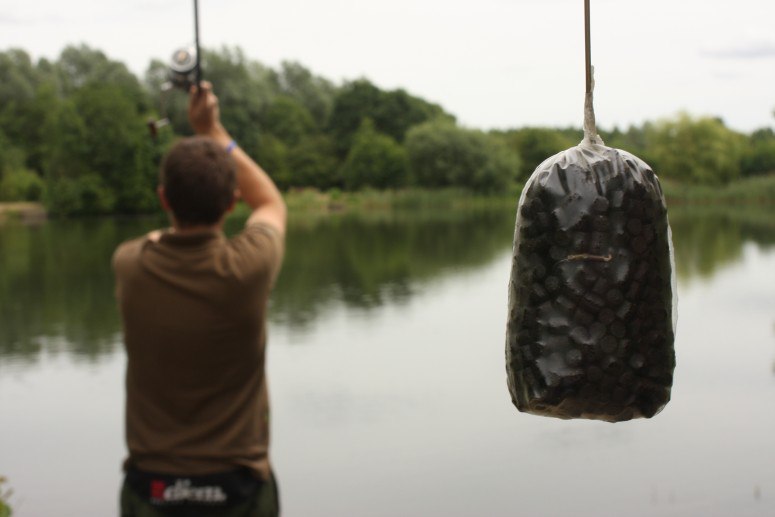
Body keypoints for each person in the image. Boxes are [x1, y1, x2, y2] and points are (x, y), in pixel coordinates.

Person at [113, 81, 287, 516]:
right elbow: (269, 201)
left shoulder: (131, 264)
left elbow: (154, 238)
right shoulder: (250, 266)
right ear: (232, 204)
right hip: (238, 489)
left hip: (151, 488)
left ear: (164, 199)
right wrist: (213, 130)